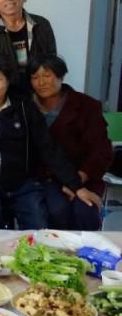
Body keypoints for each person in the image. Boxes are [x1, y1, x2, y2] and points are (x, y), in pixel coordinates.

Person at [0, 54, 102, 230]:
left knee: (39, 226)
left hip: (23, 183)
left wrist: (77, 186)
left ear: (7, 80)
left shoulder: (24, 107)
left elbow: (48, 148)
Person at [30, 55, 112, 230]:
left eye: (47, 75)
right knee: (57, 211)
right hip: (44, 178)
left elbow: (101, 150)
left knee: (86, 211)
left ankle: (86, 256)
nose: (41, 82)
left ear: (61, 76)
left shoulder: (86, 106)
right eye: (35, 77)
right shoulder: (26, 107)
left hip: (83, 175)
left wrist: (77, 180)